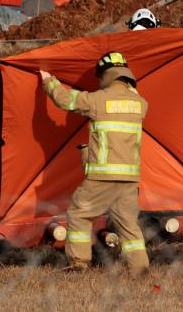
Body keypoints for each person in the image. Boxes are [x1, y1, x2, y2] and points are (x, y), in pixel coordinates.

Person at [40, 52, 149, 273]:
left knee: (80, 214)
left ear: (105, 75)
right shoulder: (140, 104)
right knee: (128, 225)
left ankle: (79, 263)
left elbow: (65, 100)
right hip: (129, 179)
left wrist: (48, 81)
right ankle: (140, 267)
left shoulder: (98, 100)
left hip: (102, 177)